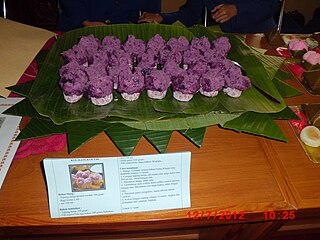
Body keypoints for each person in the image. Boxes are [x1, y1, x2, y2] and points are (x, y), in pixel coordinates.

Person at [139, 0, 280, 33]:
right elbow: (189, 15)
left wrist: (237, 9)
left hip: (260, 38)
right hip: (227, 41)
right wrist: (162, 18)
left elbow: (271, 5)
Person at [56, 0, 161, 31]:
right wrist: (84, 21)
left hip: (121, 35)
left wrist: (148, 18)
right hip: (75, 29)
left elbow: (150, 12)